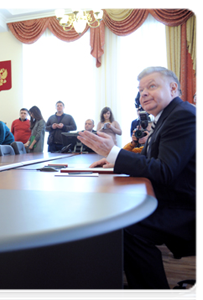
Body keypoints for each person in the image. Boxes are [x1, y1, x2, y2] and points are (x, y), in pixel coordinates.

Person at [78, 66, 200, 300]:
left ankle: (153, 295)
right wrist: (112, 160)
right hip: (172, 200)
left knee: (123, 227)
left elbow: (164, 171)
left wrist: (114, 152)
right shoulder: (167, 116)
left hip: (185, 209)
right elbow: (150, 158)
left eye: (151, 86)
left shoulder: (182, 115)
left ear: (173, 87)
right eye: (140, 89)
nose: (143, 93)